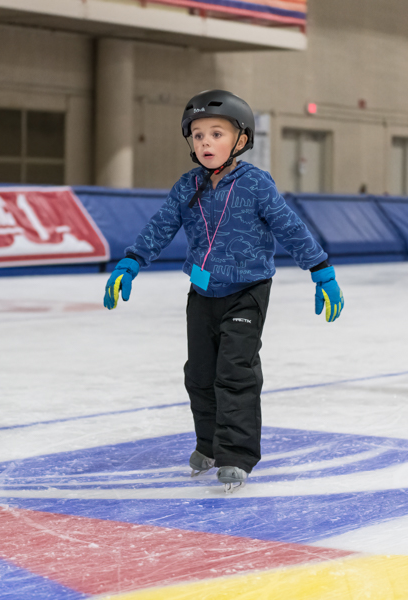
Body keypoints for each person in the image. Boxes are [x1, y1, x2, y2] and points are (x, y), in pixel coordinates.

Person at [103, 89, 343, 492]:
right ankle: (209, 445)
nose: (205, 143)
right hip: (202, 291)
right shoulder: (188, 186)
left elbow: (290, 228)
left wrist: (320, 269)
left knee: (234, 373)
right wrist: (131, 262)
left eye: (216, 133)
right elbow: (161, 226)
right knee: (199, 375)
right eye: (198, 135)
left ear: (241, 140)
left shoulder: (256, 185)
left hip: (247, 289)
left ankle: (236, 456)